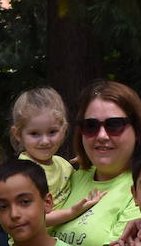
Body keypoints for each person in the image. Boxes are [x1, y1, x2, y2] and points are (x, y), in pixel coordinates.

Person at [51, 80, 141, 246]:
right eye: (90, 126)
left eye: (114, 125)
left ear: (137, 130)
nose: (102, 136)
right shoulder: (71, 177)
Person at [7, 87, 101, 227]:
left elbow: (79, 187)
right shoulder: (21, 173)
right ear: (18, 135)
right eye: (34, 134)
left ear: (64, 130)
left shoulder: (63, 164)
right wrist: (71, 213)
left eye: (52, 132)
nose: (45, 141)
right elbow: (30, 219)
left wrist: (87, 163)